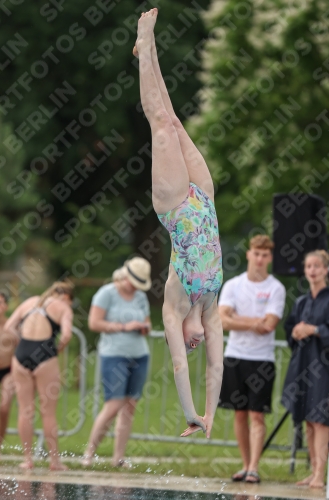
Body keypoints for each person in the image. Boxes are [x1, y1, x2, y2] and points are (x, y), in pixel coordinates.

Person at [133, 8, 224, 439]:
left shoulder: (174, 305)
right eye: (199, 340)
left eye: (194, 341)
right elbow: (217, 366)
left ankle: (144, 48)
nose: (197, 342)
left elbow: (181, 366)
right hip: (203, 198)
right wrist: (211, 415)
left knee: (161, 128)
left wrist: (191, 415)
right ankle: (147, 53)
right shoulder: (210, 306)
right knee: (173, 119)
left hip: (173, 206)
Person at [218, 235, 286, 483]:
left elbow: (269, 325)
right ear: (249, 254)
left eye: (265, 255)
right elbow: (222, 320)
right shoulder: (233, 285)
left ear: (270, 258)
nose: (259, 259)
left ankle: (254, 467)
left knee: (257, 414)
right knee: (239, 413)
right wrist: (253, 321)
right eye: (256, 253)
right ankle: (245, 464)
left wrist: (239, 318)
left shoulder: (275, 288)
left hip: (261, 359)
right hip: (236, 355)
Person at [82, 257, 151, 467]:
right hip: (114, 354)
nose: (135, 286)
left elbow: (147, 321)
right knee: (113, 405)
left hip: (139, 354)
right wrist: (124, 326)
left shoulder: (140, 297)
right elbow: (94, 323)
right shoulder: (106, 293)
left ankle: (118, 457)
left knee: (129, 406)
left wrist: (143, 327)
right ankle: (89, 453)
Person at [4, 281, 74, 470]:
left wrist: (22, 341)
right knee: (48, 411)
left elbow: (9, 326)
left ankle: (28, 460)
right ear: (66, 297)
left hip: (22, 354)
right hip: (45, 354)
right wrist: (57, 348)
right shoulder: (63, 308)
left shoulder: (30, 302)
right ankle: (54, 461)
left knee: (25, 410)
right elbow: (67, 335)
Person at [281, 250, 329, 489]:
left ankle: (321, 473)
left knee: (321, 420)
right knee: (308, 420)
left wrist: (316, 330)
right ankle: (312, 470)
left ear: (325, 270)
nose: (312, 270)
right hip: (303, 366)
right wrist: (296, 331)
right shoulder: (301, 301)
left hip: (324, 368)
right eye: (308, 266)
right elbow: (289, 328)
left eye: (317, 266)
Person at [0, 292, 17, 456]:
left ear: (5, 306)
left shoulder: (12, 326)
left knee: (4, 408)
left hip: (8, 371)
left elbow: (21, 350)